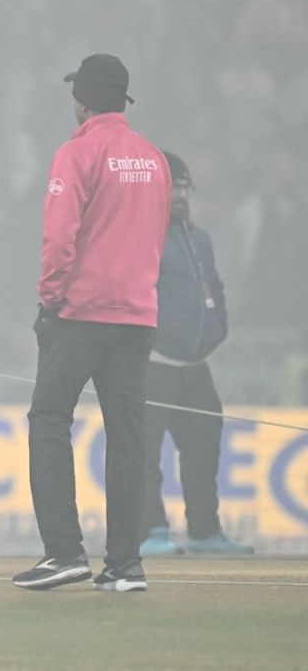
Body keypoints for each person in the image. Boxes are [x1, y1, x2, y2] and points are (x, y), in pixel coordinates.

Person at [13, 55, 172, 593]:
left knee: (50, 422)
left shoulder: (78, 151)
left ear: (80, 100)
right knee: (128, 437)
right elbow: (155, 235)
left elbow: (59, 238)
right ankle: (126, 564)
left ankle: (64, 553)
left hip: (80, 313)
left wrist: (49, 301)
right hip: (137, 315)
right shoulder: (153, 158)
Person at [139, 152, 254, 556]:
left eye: (185, 188)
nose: (180, 195)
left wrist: (218, 327)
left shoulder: (201, 240)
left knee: (204, 450)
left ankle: (205, 531)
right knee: (144, 452)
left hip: (196, 367)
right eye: (173, 187)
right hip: (154, 366)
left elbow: (215, 289)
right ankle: (149, 532)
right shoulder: (142, 238)